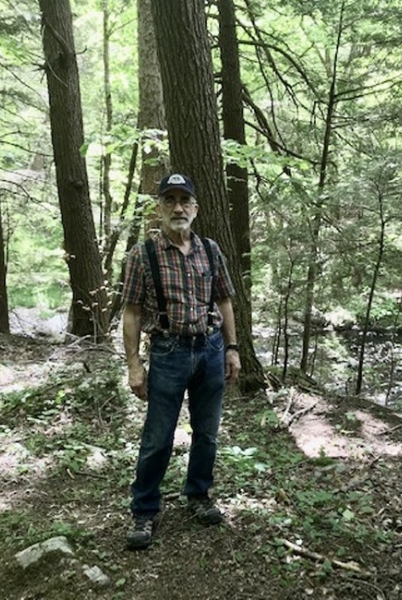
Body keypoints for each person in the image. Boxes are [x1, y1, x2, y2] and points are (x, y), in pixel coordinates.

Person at [121, 173, 242, 550]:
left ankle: (198, 495)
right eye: (169, 200)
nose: (177, 207)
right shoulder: (144, 254)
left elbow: (224, 300)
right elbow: (131, 312)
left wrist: (232, 347)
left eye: (184, 200)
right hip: (168, 353)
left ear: (195, 208)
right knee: (157, 438)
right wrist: (134, 364)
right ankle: (144, 510)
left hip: (209, 350)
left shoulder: (210, 249)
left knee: (207, 432)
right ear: (159, 208)